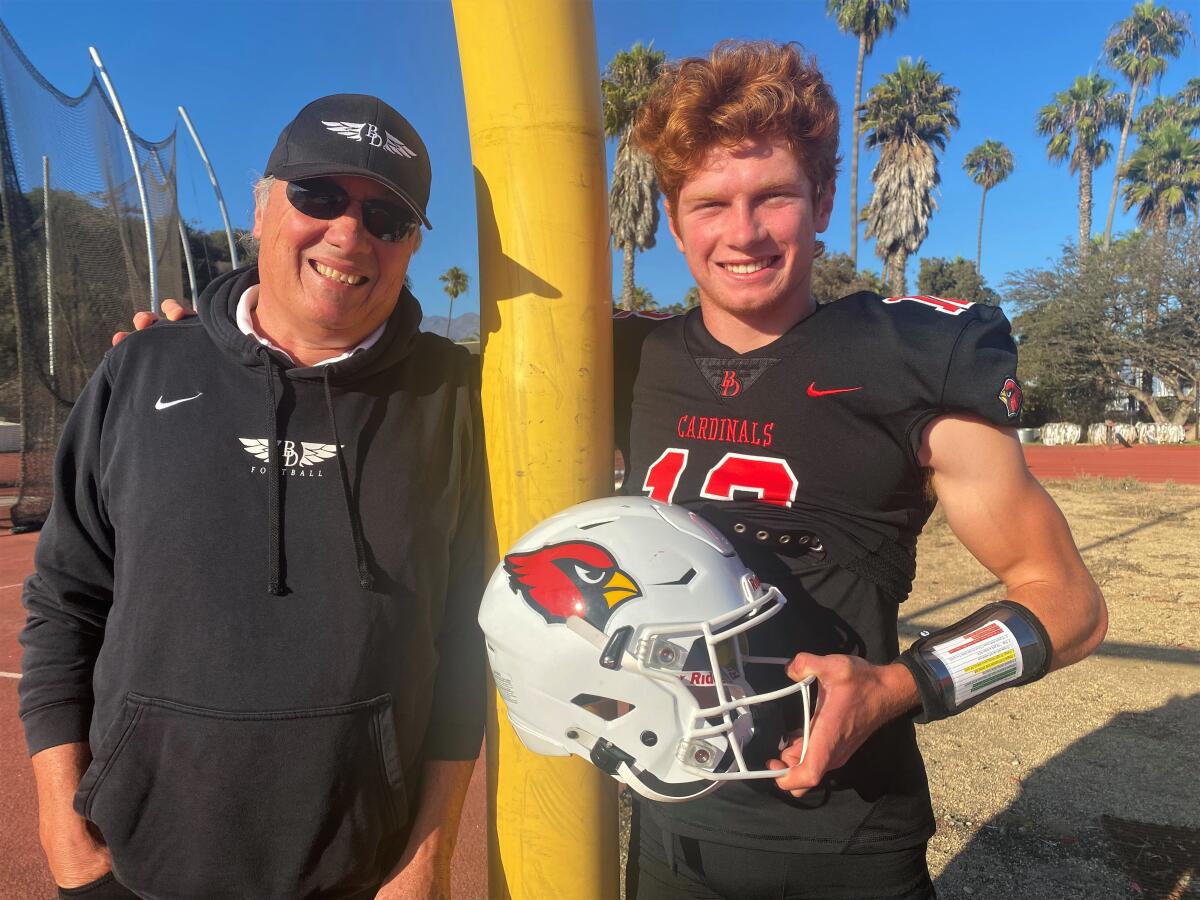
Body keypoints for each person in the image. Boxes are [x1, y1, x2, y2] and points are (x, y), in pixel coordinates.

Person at [611, 42, 1107, 899]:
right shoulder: (621, 357)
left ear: (825, 200)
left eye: (773, 195)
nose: (743, 232)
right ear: (672, 212)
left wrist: (899, 685)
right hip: (667, 835)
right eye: (710, 203)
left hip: (849, 846)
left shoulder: (910, 357)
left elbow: (1070, 606)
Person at [20, 94, 485, 899]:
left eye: (386, 215)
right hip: (133, 865)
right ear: (263, 205)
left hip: (361, 873)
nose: (349, 232)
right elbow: (65, 603)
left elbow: (467, 644)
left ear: (411, 247)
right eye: (319, 197)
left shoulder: (456, 400)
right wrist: (63, 831)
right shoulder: (139, 372)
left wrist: (427, 861)